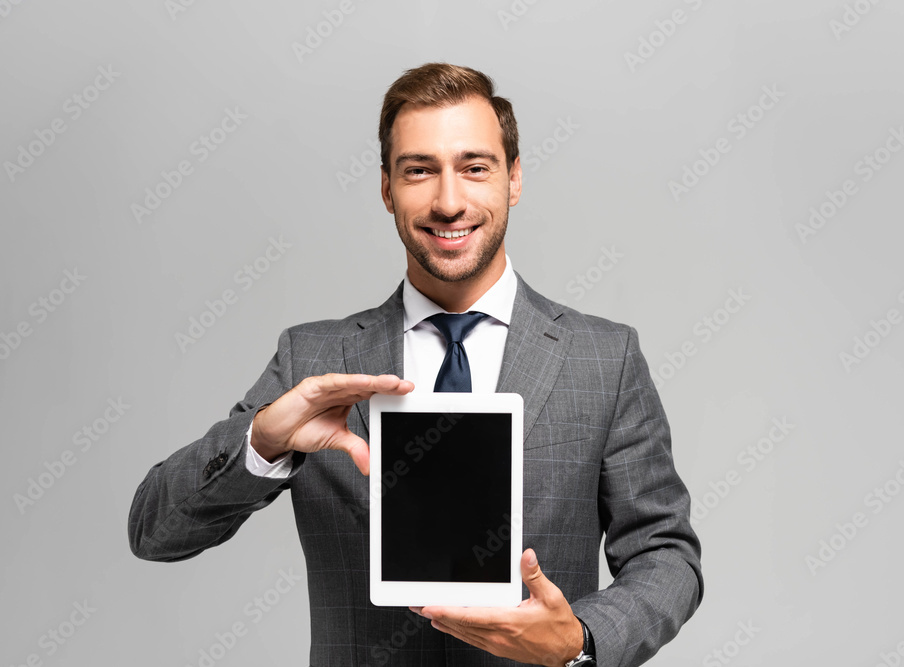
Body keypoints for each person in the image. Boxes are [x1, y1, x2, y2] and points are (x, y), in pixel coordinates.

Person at [128, 62, 702, 667]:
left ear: (514, 180)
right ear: (386, 189)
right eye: (419, 171)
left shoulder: (603, 358)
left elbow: (666, 555)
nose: (448, 202)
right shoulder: (314, 360)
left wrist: (581, 639)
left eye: (475, 168)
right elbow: (155, 532)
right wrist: (262, 441)